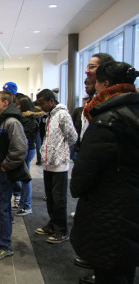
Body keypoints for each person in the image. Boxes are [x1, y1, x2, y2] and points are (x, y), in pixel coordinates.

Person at [70, 62, 139, 284]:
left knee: (111, 268)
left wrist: (77, 187)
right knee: (123, 266)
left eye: (95, 80)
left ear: (105, 84)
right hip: (131, 202)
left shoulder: (106, 119)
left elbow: (85, 172)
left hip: (110, 206)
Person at [0, 90, 27, 260]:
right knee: (0, 208)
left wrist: (4, 167)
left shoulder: (11, 122)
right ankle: (1, 238)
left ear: (5, 103)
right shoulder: (0, 121)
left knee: (1, 208)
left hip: (3, 172)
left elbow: (19, 150)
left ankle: (4, 246)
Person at [34, 89, 77, 244]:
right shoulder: (50, 115)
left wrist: (60, 150)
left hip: (59, 164)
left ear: (51, 100)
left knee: (59, 199)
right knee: (51, 198)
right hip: (48, 163)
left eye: (42, 103)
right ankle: (52, 225)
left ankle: (62, 230)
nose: (40, 107)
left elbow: (73, 137)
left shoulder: (63, 114)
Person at [14, 95, 43, 216]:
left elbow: (28, 138)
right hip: (25, 150)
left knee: (25, 178)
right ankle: (22, 203)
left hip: (26, 150)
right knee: (23, 177)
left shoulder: (29, 120)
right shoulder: (24, 118)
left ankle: (26, 206)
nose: (16, 106)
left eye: (18, 105)